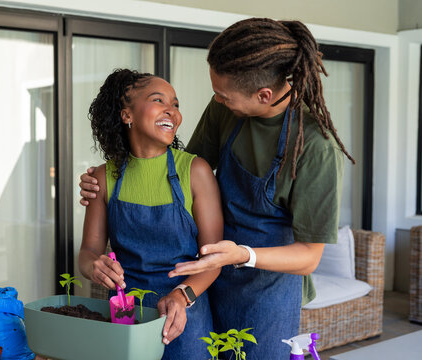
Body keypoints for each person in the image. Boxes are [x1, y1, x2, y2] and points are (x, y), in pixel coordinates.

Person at [80, 18, 355, 359]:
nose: (217, 101)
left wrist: (242, 254)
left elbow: (309, 257)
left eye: (224, 96)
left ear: (263, 95)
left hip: (266, 292)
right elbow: (180, 166)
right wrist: (102, 179)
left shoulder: (315, 148)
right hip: (207, 280)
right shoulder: (225, 111)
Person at [78, 69, 223, 360]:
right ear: (126, 114)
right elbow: (87, 252)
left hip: (186, 315)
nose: (173, 111)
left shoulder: (195, 171)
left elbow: (214, 260)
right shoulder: (105, 177)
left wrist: (182, 295)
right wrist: (94, 266)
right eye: (159, 100)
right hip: (124, 315)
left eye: (176, 104)